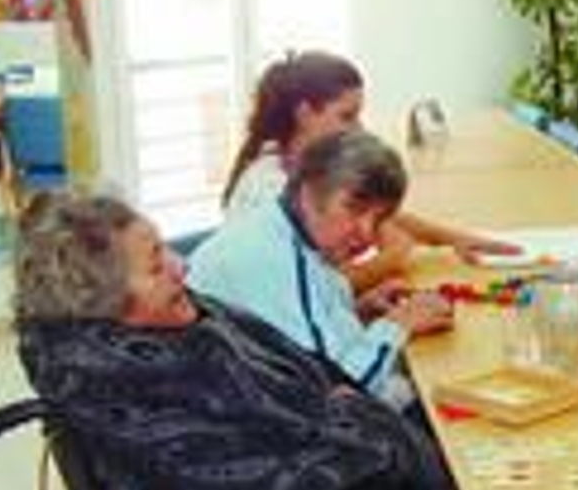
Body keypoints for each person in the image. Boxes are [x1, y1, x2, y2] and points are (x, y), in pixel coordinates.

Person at [12, 190, 505, 490]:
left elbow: (272, 385)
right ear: (103, 303)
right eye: (156, 266)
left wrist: (346, 391)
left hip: (279, 476)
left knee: (438, 446)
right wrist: (363, 426)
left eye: (165, 250)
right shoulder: (136, 377)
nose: (182, 267)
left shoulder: (140, 343)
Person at [192, 129, 451, 409]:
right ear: (308, 191)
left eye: (379, 219)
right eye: (354, 208)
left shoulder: (287, 228)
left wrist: (359, 311)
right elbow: (338, 390)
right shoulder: (272, 259)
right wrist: (399, 325)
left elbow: (300, 329)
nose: (367, 232)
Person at [221, 50, 517, 285]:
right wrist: (393, 258)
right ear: (305, 113)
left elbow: (379, 213)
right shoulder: (268, 189)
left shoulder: (296, 161)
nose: (359, 128)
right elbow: (319, 291)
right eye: (347, 116)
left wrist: (452, 239)